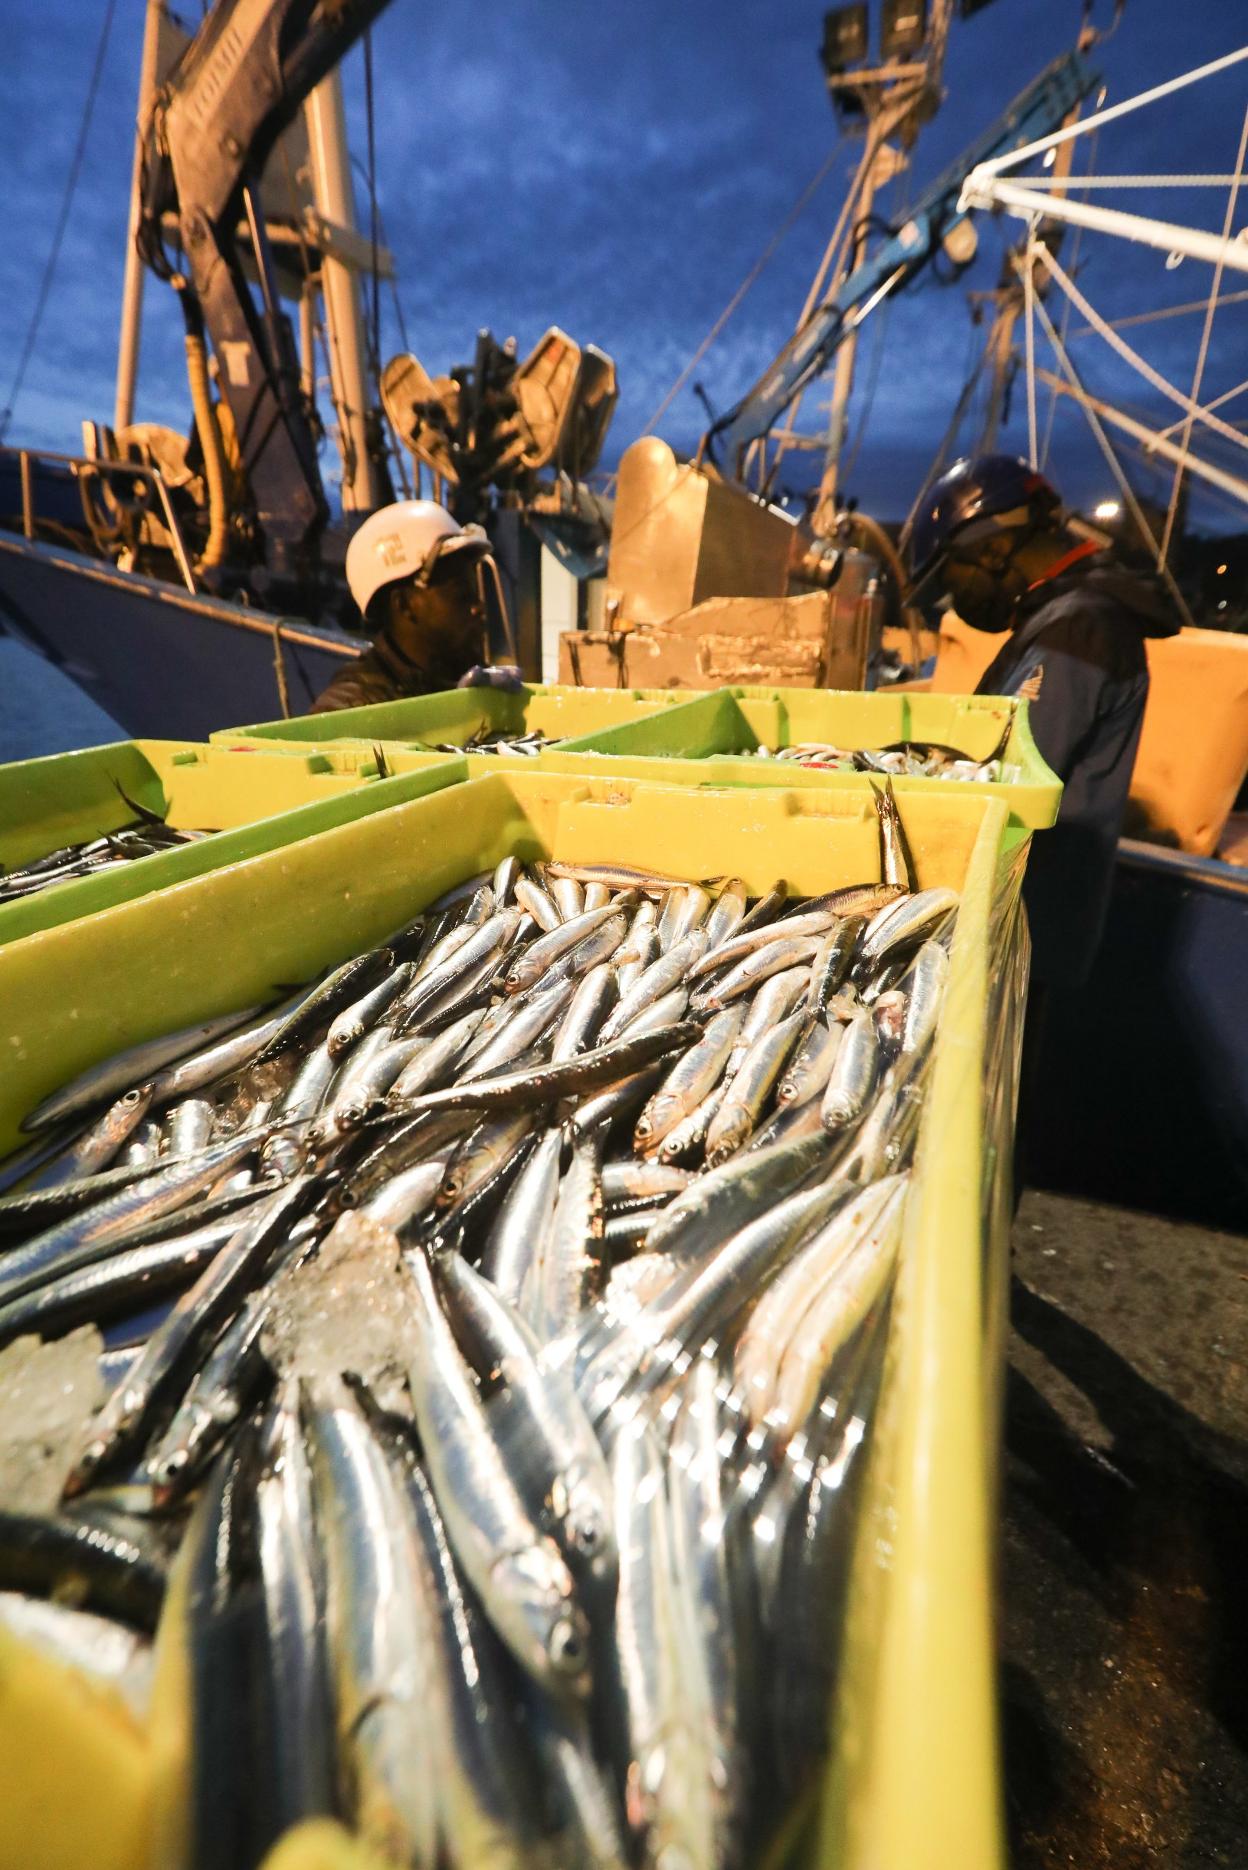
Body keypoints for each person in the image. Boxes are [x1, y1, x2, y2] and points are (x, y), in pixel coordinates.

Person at [908, 453, 1179, 993]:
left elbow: (1007, 776)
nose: (956, 599)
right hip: (1027, 916)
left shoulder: (1078, 628)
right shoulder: (1063, 615)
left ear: (990, 548)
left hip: (1032, 926)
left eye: (952, 576)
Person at [310, 500, 521, 712]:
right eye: (461, 594)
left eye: (474, 592)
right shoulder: (350, 709)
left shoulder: (474, 681)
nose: (479, 607)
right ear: (404, 605)